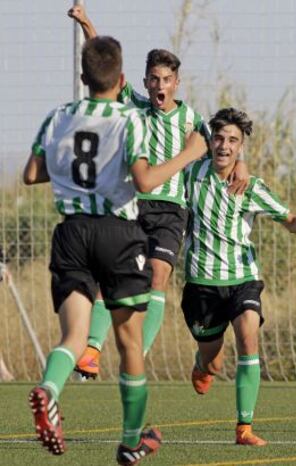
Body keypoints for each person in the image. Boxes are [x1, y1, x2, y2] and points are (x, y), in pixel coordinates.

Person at [24, 36, 207, 463]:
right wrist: (189, 153)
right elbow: (143, 181)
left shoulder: (58, 116)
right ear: (123, 79)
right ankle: (129, 441)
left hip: (70, 235)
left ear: (83, 78)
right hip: (116, 233)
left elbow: (32, 173)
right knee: (128, 343)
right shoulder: (130, 118)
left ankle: (48, 389)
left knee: (73, 335)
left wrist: (74, 173)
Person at [68, 5, 250, 379]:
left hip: (171, 210)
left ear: (176, 82)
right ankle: (91, 350)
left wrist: (242, 165)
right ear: (146, 81)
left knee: (158, 274)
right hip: (132, 202)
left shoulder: (192, 119)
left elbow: (225, 140)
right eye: (153, 79)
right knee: (113, 275)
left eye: (166, 79)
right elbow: (105, 67)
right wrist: (87, 23)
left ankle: (140, 351)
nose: (159, 86)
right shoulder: (134, 105)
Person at [182, 107, 296, 446]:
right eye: (219, 138)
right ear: (210, 141)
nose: (224, 146)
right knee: (213, 361)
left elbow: (290, 219)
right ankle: (202, 363)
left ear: (241, 147)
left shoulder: (251, 187)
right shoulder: (191, 176)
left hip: (242, 278)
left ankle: (244, 428)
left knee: (249, 337)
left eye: (233, 141)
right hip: (202, 284)